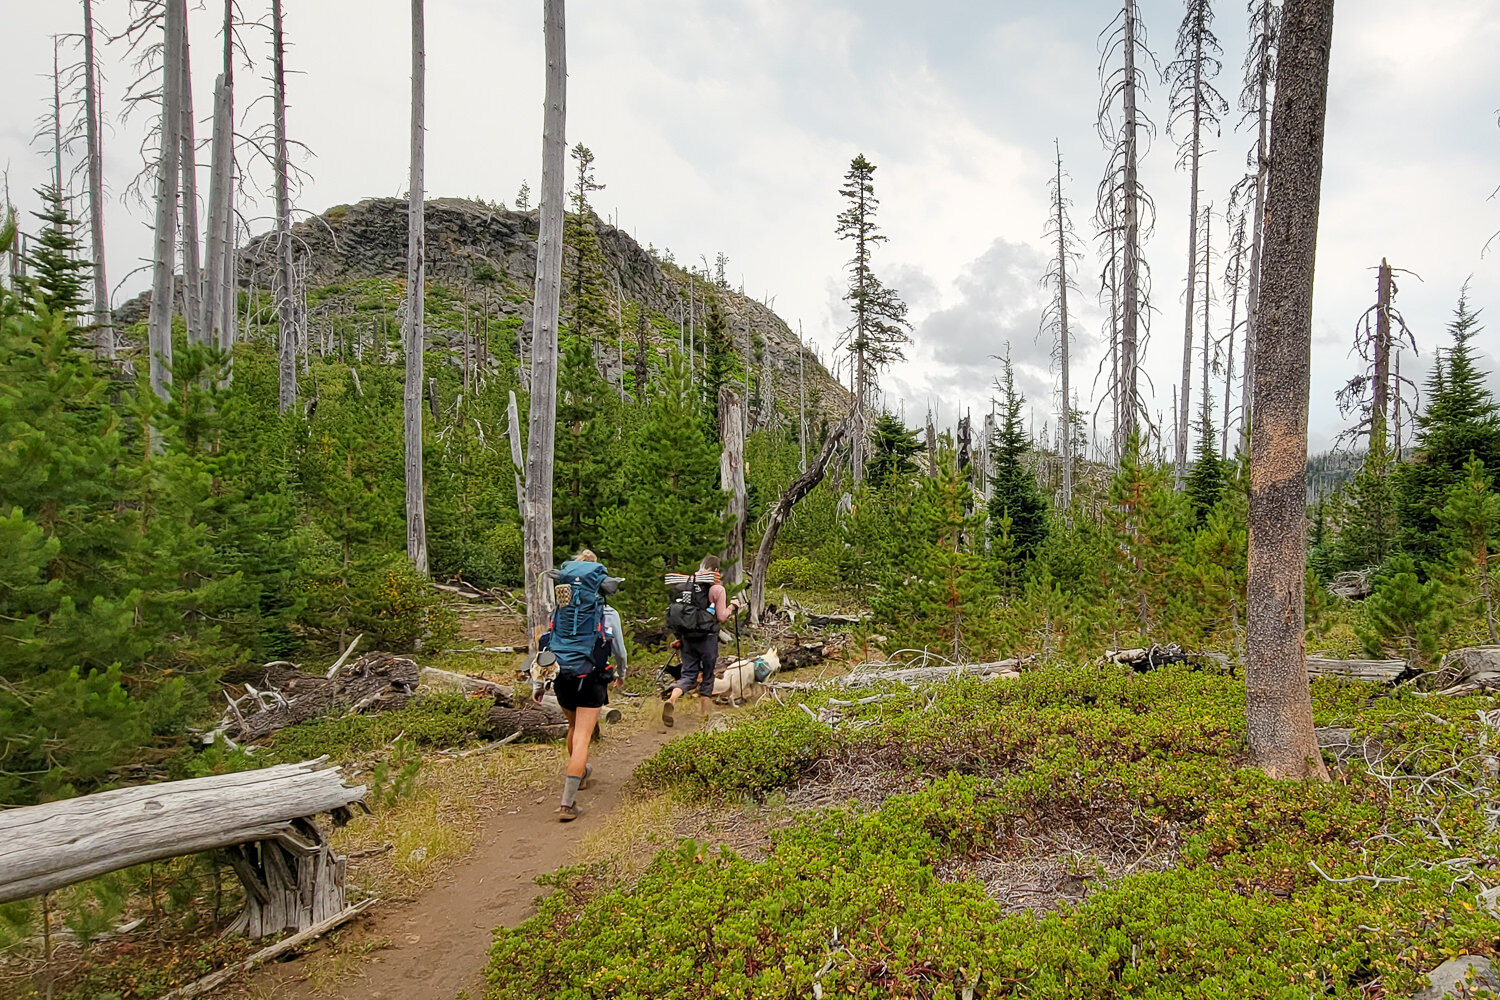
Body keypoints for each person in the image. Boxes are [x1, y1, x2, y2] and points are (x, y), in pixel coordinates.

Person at [533, 549, 626, 822]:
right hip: (592, 676)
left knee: (573, 728)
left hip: (561, 675)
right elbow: (618, 650)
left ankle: (581, 774)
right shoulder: (607, 612)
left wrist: (538, 684)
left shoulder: (559, 610)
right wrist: (622, 672)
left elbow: (546, 643)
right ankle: (567, 803)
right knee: (583, 735)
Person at [662, 555, 740, 728]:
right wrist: (733, 606)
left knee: (688, 674)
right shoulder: (716, 589)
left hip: (688, 638)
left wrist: (678, 638)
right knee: (708, 674)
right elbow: (721, 616)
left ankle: (673, 699)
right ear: (716, 571)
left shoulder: (687, 585)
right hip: (707, 638)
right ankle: (705, 714)